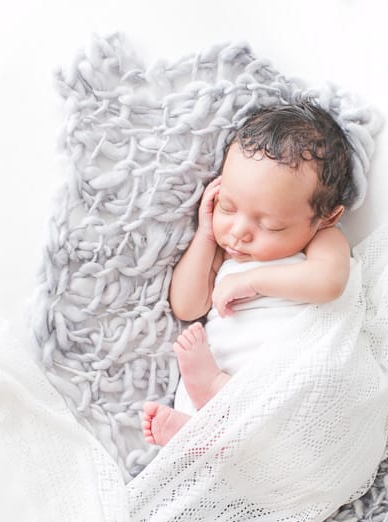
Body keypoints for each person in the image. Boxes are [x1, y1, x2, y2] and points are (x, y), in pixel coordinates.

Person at [142, 100, 356, 445]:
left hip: (288, 378)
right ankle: (206, 431)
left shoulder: (322, 241)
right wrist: (206, 235)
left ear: (324, 218)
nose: (239, 230)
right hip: (222, 382)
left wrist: (252, 281)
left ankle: (211, 413)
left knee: (274, 411)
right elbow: (187, 306)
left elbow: (329, 283)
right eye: (228, 206)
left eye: (270, 225)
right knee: (220, 415)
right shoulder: (227, 251)